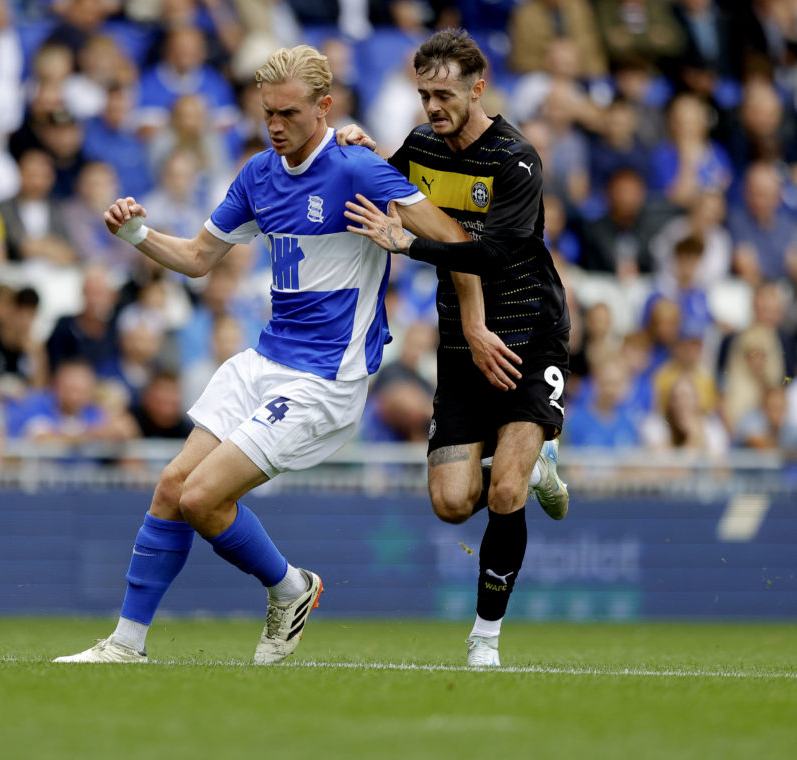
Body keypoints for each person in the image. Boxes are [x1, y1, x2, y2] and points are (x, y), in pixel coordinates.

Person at [54, 44, 485, 666]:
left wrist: (420, 260)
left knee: (203, 498)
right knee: (173, 485)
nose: (276, 125)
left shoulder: (360, 169)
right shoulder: (259, 173)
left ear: (325, 107)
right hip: (264, 362)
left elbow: (458, 241)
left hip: (324, 378)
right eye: (267, 114)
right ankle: (127, 644)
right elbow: (199, 260)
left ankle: (290, 588)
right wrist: (137, 235)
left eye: (287, 113)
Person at [339, 28, 571, 667]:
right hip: (457, 336)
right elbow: (393, 191)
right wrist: (361, 153)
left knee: (505, 497)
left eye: (443, 95)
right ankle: (521, 463)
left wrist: (409, 246)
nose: (433, 109)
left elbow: (493, 254)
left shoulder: (516, 159)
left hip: (526, 329)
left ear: (478, 84)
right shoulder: (420, 146)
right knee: (449, 504)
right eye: (423, 95)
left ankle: (485, 640)